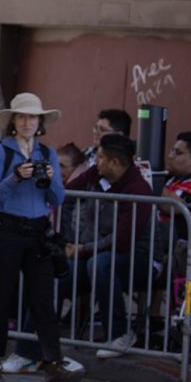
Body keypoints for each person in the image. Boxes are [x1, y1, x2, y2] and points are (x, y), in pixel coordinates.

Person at [0, 93, 84, 382]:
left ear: (40, 122)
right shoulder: (1, 152)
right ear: (13, 121)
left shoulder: (47, 153)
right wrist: (15, 177)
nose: (27, 122)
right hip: (6, 230)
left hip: (38, 231)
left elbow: (58, 198)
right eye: (22, 117)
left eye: (32, 117)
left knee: (43, 300)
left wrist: (50, 177)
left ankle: (53, 364)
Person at [65, 134, 154, 358]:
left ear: (115, 162)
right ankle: (35, 337)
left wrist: (83, 249)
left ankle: (120, 334)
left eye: (101, 157)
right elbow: (66, 193)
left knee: (100, 264)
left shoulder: (137, 190)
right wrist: (67, 239)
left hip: (138, 257)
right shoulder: (97, 174)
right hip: (95, 250)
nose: (96, 161)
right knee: (58, 267)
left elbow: (122, 241)